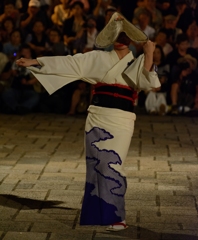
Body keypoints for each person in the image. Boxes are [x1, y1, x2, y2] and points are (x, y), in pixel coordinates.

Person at [16, 12, 160, 231]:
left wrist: (150, 54)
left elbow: (151, 84)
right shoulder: (97, 58)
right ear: (111, 38)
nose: (122, 39)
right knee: (97, 165)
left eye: (125, 35)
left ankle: (115, 215)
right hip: (98, 117)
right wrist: (35, 61)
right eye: (118, 34)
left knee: (113, 163)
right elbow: (70, 63)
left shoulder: (138, 60)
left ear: (131, 38)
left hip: (122, 119)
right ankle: (102, 214)